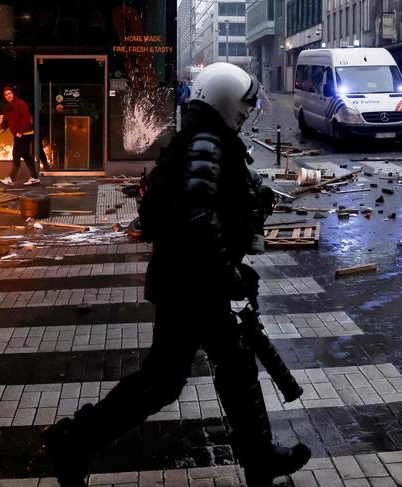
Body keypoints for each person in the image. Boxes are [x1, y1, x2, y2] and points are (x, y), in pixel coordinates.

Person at [42, 63, 311, 487]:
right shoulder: (207, 142)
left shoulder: (203, 138)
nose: (245, 115)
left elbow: (207, 208)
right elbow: (198, 214)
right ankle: (73, 440)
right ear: (224, 103)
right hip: (194, 285)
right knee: (166, 379)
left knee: (225, 366)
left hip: (193, 280)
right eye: (241, 107)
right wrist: (230, 275)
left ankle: (259, 458)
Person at [0, 86, 40, 186]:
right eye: (6, 94)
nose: (8, 96)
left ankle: (11, 179)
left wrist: (20, 132)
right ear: (4, 97)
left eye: (9, 93)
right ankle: (34, 177)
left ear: (13, 93)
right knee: (27, 156)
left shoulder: (21, 104)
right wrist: (3, 128)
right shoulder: (8, 107)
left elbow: (26, 119)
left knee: (16, 154)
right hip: (19, 135)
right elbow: (6, 119)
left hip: (25, 134)